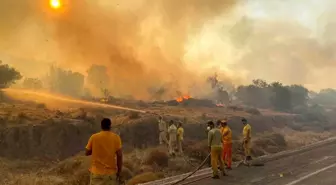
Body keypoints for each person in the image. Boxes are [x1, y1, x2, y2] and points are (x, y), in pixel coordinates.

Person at [85, 118, 123, 185]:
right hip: (110, 174)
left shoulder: (94, 137)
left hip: (96, 174)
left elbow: (87, 152)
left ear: (101, 126)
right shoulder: (116, 138)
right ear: (110, 126)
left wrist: (95, 149)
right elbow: (119, 155)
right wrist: (119, 171)